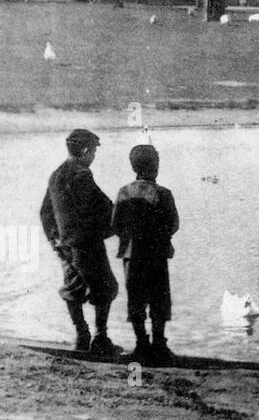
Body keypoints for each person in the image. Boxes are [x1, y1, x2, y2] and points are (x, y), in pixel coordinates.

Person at [39, 129, 121, 356]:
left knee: (73, 289)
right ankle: (100, 338)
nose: (94, 156)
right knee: (106, 288)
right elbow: (97, 207)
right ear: (86, 151)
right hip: (86, 243)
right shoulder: (82, 173)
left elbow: (45, 212)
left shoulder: (56, 174)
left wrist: (55, 241)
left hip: (65, 244)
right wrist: (116, 224)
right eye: (93, 151)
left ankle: (81, 335)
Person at [112, 144, 180, 366]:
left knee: (136, 299)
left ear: (134, 167)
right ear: (156, 166)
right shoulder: (163, 193)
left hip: (131, 256)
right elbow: (173, 225)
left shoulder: (123, 192)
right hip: (156, 255)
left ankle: (142, 345)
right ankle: (159, 345)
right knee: (159, 300)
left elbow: (115, 225)